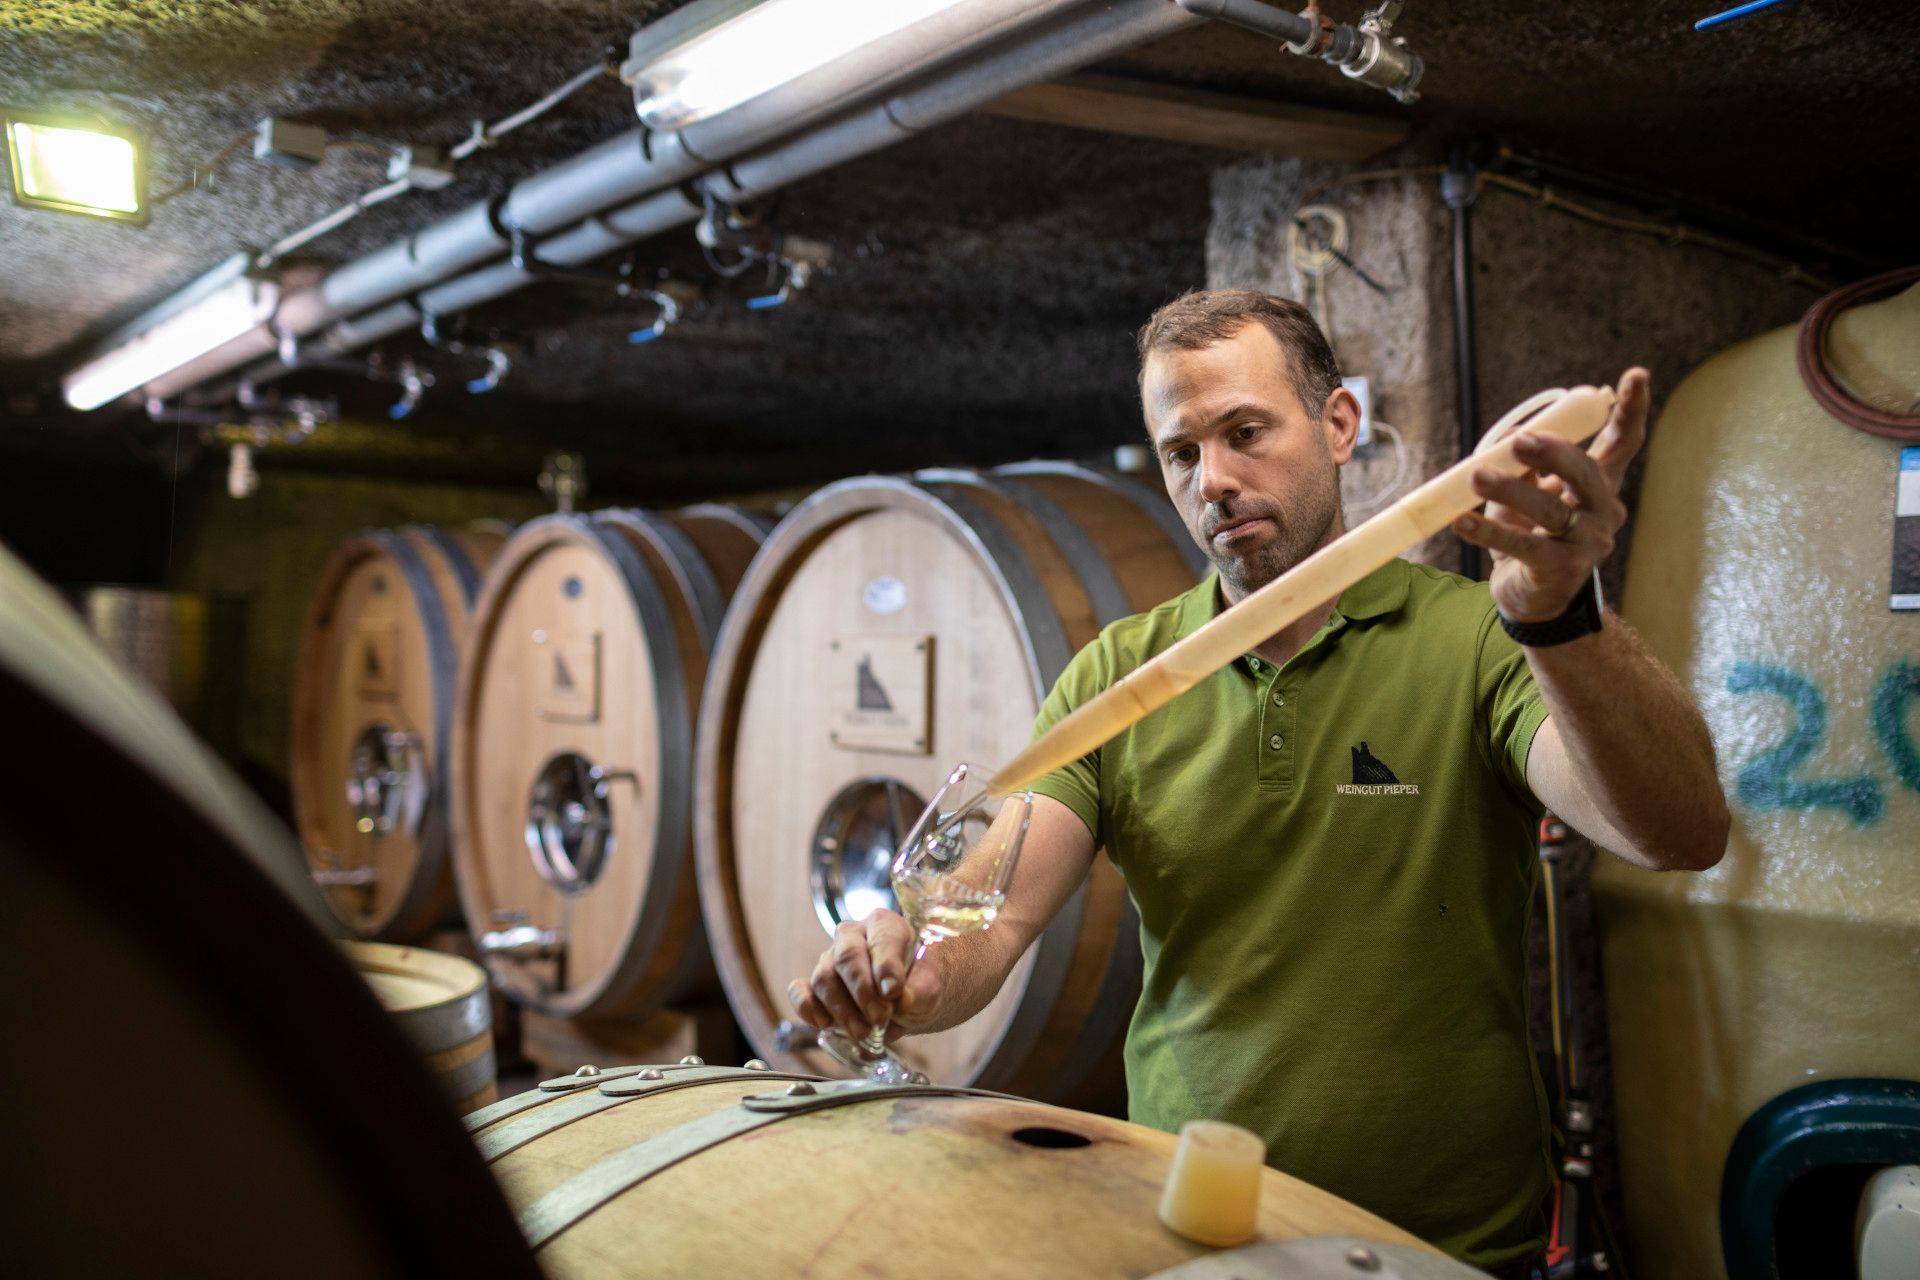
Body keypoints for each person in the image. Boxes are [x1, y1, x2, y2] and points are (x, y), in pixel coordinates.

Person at [788, 289, 1729, 1276]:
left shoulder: (1477, 639)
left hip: (1447, 1248)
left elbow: (1679, 832)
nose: (1216, 480)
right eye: (1182, 452)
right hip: (1195, 1236)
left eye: (1246, 431)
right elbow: (992, 923)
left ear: (1337, 424)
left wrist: (1556, 613)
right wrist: (909, 973)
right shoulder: (1120, 677)